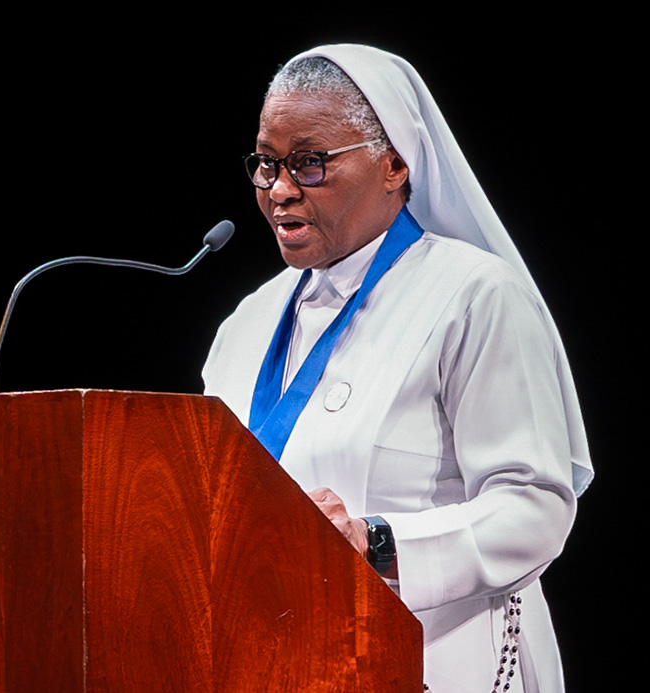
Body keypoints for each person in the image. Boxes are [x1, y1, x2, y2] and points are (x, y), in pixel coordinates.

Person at [202, 44, 593, 693]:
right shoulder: (243, 326)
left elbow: (535, 506)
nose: (278, 189)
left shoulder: (474, 294)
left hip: (438, 662)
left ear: (394, 165)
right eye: (266, 163)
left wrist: (375, 541)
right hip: (279, 663)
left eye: (310, 163)